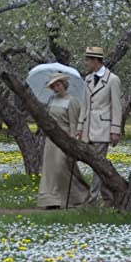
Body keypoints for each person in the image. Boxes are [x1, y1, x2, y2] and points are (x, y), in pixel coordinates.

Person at [77, 46, 123, 205]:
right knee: (97, 165)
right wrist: (79, 127)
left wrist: (115, 130)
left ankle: (92, 199)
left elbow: (117, 106)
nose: (87, 64)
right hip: (88, 129)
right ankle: (109, 197)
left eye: (88, 60)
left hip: (103, 129)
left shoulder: (113, 80)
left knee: (98, 165)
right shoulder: (88, 79)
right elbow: (84, 105)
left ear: (96, 61)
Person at [38, 74, 90, 209]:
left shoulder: (72, 101)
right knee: (50, 169)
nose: (56, 88)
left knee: (61, 166)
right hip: (51, 138)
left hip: (65, 137)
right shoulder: (51, 100)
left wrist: (72, 141)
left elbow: (74, 123)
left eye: (58, 85)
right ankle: (51, 200)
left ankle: (76, 196)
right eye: (53, 86)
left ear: (64, 85)